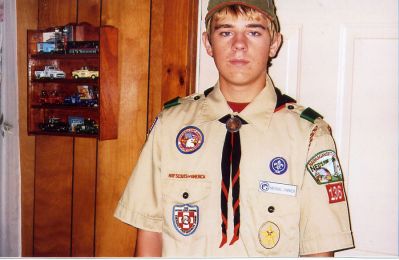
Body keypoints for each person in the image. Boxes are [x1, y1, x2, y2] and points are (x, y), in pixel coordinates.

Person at [114, 0, 355, 257]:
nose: (239, 44)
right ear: (208, 43)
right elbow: (150, 230)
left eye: (254, 32)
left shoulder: (310, 135)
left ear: (274, 43)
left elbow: (318, 249)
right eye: (226, 32)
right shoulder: (171, 126)